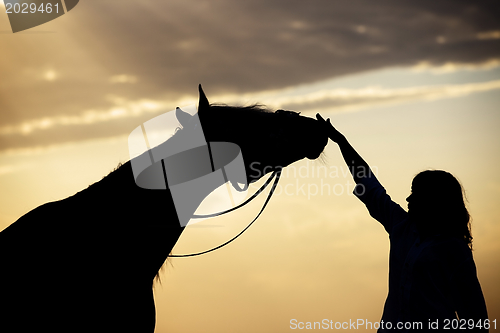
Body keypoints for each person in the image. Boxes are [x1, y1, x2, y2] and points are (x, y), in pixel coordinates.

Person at [316, 114, 489, 332]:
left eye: (415, 194)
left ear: (434, 201)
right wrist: (342, 142)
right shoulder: (402, 226)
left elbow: (474, 316)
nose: (408, 199)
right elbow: (368, 183)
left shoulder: (454, 249)